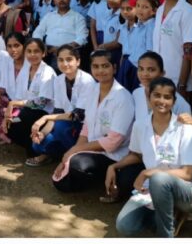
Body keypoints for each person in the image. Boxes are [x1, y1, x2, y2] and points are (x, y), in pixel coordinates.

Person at [113, 77, 192, 238]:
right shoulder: (140, 125)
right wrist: (113, 167)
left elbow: (188, 174)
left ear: (174, 100)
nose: (161, 101)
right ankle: (169, 214)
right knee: (124, 226)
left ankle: (166, 234)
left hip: (188, 189)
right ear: (148, 97)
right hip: (153, 188)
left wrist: (147, 173)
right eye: (156, 95)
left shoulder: (185, 129)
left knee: (159, 179)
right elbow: (136, 154)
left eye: (167, 97)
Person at [51, 50, 135, 193]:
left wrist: (73, 151)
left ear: (114, 68)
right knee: (61, 181)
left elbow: (113, 142)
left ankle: (105, 176)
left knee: (77, 164)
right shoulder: (93, 90)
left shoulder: (123, 98)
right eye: (96, 66)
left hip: (114, 155)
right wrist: (70, 155)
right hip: (93, 149)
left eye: (105, 66)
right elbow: (87, 127)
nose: (100, 70)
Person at [27, 44, 97, 167]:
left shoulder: (87, 80)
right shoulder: (59, 80)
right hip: (66, 126)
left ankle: (75, 156)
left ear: (78, 61)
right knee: (37, 144)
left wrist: (45, 118)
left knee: (60, 127)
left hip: (85, 129)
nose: (65, 63)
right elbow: (57, 112)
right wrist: (43, 132)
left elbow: (78, 115)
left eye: (69, 59)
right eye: (60, 60)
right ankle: (57, 155)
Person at [5, 39, 57, 157]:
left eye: (36, 51)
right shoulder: (26, 69)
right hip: (27, 110)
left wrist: (14, 104)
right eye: (29, 51)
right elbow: (18, 95)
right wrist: (11, 112)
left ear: (43, 53)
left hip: (44, 113)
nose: (32, 55)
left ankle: (37, 151)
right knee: (10, 123)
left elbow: (41, 103)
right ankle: (32, 147)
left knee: (23, 117)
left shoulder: (47, 72)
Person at [153, 0, 192, 96]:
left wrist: (182, 83)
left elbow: (188, 50)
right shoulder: (160, 9)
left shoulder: (187, 11)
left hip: (179, 78)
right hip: (160, 76)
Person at [0, 33, 27, 145]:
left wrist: (14, 105)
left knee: (14, 123)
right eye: (9, 46)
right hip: (12, 102)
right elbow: (3, 84)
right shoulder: (8, 62)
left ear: (24, 46)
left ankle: (13, 133)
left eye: (16, 45)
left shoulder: (31, 63)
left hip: (26, 105)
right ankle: (2, 134)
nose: (13, 49)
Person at [32, 0, 88, 70]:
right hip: (49, 52)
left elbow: (82, 38)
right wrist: (42, 45)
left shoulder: (78, 17)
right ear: (54, 1)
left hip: (69, 53)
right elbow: (37, 33)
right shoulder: (49, 16)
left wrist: (61, 49)